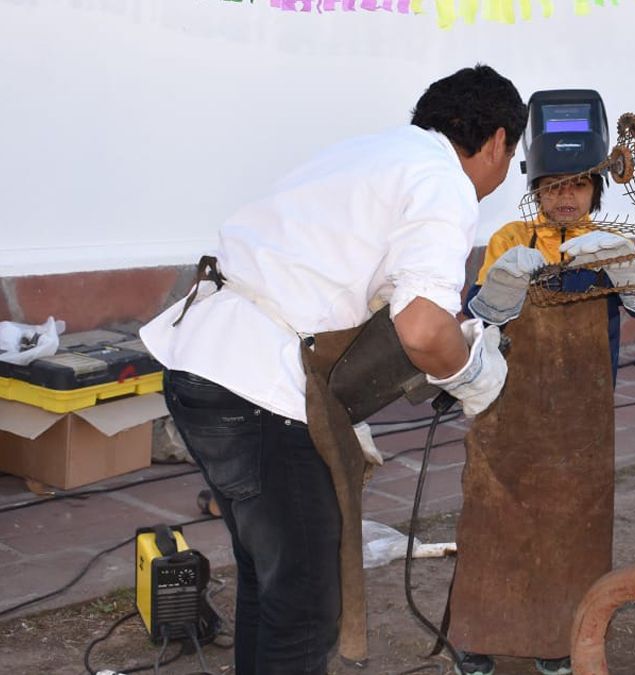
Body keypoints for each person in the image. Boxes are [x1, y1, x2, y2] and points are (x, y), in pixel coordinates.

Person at [138, 65, 526, 674]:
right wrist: (475, 378)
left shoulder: (373, 152)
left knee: (271, 580)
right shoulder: (442, 180)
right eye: (511, 158)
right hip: (256, 391)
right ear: (499, 141)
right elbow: (423, 327)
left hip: (201, 366)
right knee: (305, 605)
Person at [449, 89, 635, 675]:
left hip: (582, 418)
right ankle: (476, 631)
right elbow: (478, 322)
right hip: (507, 413)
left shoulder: (613, 247)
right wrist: (493, 294)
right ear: (535, 188)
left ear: (597, 188)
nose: (565, 197)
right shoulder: (510, 243)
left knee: (573, 529)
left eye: (578, 184)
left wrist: (631, 270)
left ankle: (557, 637)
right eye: (552, 186)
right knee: (495, 518)